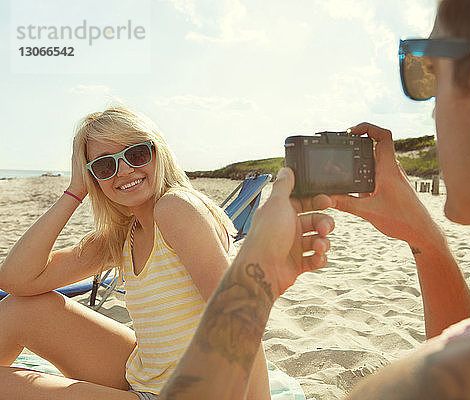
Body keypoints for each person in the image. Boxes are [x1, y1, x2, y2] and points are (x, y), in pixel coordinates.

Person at [157, 0, 470, 398]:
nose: (431, 108)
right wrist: (427, 242)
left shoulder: (414, 387)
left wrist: (254, 279)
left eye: (428, 73)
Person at [0, 107, 271, 399]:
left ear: (158, 152)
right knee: (22, 309)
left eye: (137, 154)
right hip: (148, 371)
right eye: (105, 166)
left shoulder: (175, 209)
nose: (125, 170)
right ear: (93, 177)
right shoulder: (126, 232)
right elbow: (17, 280)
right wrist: (75, 192)